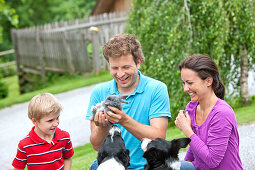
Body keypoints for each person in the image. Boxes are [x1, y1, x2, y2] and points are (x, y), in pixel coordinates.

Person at [85, 33, 171, 169]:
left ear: (139, 62)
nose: (120, 74)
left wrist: (123, 120)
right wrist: (103, 126)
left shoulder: (156, 89)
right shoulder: (99, 92)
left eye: (126, 67)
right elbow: (96, 145)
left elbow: (158, 138)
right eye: (114, 68)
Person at [175, 54, 243, 170]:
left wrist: (187, 130)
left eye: (190, 83)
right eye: (183, 83)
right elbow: (194, 147)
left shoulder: (222, 113)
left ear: (208, 81)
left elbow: (212, 160)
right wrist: (184, 164)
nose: (185, 89)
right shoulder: (191, 107)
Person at [12, 93, 74, 170]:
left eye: (57, 118)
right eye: (50, 120)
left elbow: (67, 158)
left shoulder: (64, 137)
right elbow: (18, 168)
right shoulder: (25, 145)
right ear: (35, 121)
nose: (56, 123)